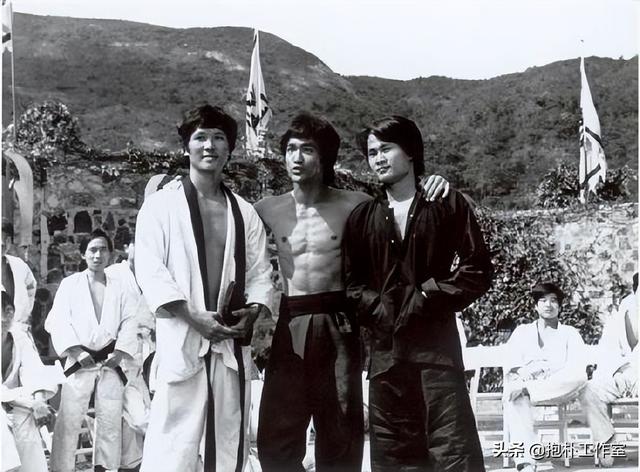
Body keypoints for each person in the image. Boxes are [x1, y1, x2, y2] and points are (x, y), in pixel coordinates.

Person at [255, 113, 449, 472]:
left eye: (307, 149)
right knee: (276, 430)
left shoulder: (355, 204)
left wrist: (433, 182)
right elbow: (227, 219)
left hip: (339, 320)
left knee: (341, 425)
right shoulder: (266, 208)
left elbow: (404, 203)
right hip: (291, 319)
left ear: (325, 156)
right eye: (291, 149)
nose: (296, 158)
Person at [343, 115, 493, 471]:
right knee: (394, 459)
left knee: (453, 453)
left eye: (386, 149)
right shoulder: (362, 218)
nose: (378, 159)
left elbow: (477, 269)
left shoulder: (446, 204)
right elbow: (350, 286)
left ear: (410, 151)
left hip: (436, 355)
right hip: (386, 359)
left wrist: (429, 296)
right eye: (372, 152)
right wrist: (380, 308)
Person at [134, 104, 272, 472]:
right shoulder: (160, 207)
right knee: (171, 446)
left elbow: (260, 272)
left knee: (228, 442)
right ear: (186, 147)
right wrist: (193, 316)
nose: (209, 145)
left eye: (218, 138)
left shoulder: (245, 212)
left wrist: (252, 313)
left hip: (228, 341)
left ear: (229, 148)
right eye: (200, 138)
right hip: (183, 336)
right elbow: (150, 270)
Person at [45, 228, 140, 472]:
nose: (98, 255)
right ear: (83, 254)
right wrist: (76, 351)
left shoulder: (120, 286)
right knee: (69, 419)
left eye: (103, 250)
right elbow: (57, 321)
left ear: (110, 254)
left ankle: (104, 468)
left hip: (110, 361)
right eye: (93, 250)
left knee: (110, 419)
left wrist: (120, 352)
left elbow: (130, 320)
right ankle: (61, 468)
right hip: (80, 360)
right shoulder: (70, 284)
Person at [503, 282, 587, 472]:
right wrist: (524, 372)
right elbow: (511, 362)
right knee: (515, 396)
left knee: (580, 377)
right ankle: (525, 461)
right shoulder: (522, 331)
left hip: (558, 387)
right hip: (527, 384)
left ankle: (527, 390)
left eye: (553, 300)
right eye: (543, 300)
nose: (548, 305)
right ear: (535, 306)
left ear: (560, 306)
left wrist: (547, 373)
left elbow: (576, 366)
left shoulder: (570, 333)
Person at [579, 273, 638, 467]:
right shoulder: (617, 320)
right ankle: (607, 440)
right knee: (588, 390)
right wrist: (621, 369)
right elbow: (606, 353)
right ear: (635, 292)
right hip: (619, 375)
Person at [2, 290, 57, 472]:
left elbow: (35, 372)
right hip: (9, 404)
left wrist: (39, 403)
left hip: (18, 405)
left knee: (25, 420)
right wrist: (32, 404)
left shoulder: (19, 337)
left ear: (9, 313)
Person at [1, 220, 37, 335]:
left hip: (17, 329)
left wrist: (25, 313)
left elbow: (31, 288)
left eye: (7, 240)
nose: (3, 244)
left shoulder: (18, 265)